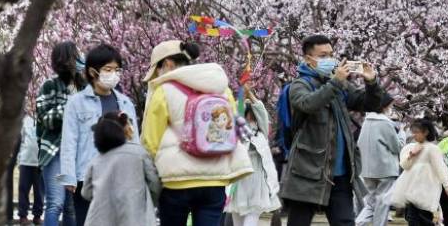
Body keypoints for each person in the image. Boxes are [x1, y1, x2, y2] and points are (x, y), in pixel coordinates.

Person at [278, 34, 388, 226]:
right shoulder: (300, 85)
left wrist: (371, 82)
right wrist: (335, 82)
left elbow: (367, 104)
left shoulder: (339, 84)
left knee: (345, 222)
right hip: (308, 172)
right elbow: (307, 104)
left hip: (341, 173)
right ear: (308, 59)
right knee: (299, 222)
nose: (329, 60)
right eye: (323, 56)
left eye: (331, 55)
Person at [141, 40, 253, 226]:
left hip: (176, 181)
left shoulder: (164, 91)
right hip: (214, 181)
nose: (157, 75)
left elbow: (150, 141)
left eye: (157, 69)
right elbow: (230, 129)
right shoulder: (221, 89)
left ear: (168, 64)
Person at [59, 44, 139, 226]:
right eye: (108, 69)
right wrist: (68, 176)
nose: (114, 74)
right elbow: (69, 140)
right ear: (93, 72)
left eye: (117, 70)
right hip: (87, 176)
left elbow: (134, 140)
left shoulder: (125, 103)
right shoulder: (76, 103)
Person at [81, 112, 160, 226]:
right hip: (136, 218)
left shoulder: (96, 160)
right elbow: (154, 183)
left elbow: (86, 192)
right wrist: (147, 201)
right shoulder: (139, 153)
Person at [37, 41, 83, 226]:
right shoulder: (49, 85)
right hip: (55, 153)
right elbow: (44, 118)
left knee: (71, 207)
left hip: (77, 153)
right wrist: (69, 107)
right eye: (73, 57)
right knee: (55, 203)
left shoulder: (84, 86)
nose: (76, 61)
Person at [227, 85, 282, 226]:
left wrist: (250, 95)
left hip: (256, 180)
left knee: (251, 217)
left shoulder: (260, 130)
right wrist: (241, 98)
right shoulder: (234, 130)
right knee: (237, 220)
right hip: (238, 181)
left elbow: (261, 111)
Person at [389, 119, 448, 226]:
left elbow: (440, 167)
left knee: (424, 217)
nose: (414, 135)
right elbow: (404, 165)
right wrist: (411, 155)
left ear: (426, 132)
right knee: (412, 217)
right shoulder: (411, 148)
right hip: (411, 187)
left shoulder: (433, 149)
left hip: (426, 189)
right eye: (413, 132)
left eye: (417, 132)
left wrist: (447, 184)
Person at [355, 94, 402, 226]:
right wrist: (402, 134)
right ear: (384, 106)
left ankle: (357, 223)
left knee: (371, 203)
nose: (391, 108)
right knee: (383, 203)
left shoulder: (366, 122)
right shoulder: (385, 123)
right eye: (391, 105)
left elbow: (359, 143)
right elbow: (396, 147)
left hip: (368, 170)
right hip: (385, 170)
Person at [17, 111, 45, 225]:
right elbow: (20, 140)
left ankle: (37, 215)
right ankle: (22, 216)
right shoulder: (24, 120)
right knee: (23, 190)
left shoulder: (44, 119)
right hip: (25, 161)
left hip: (40, 161)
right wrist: (19, 159)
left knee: (39, 191)